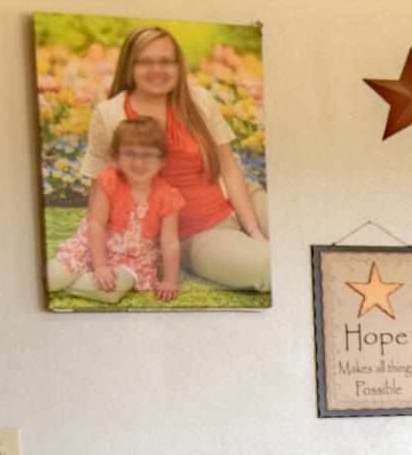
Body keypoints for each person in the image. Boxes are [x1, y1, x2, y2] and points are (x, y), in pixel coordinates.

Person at [81, 25, 269, 292]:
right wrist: (101, 260)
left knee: (301, 232)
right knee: (270, 266)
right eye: (146, 61)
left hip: (242, 200)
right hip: (196, 234)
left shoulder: (200, 100)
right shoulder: (109, 114)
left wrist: (254, 230)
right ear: (129, 66)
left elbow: (228, 168)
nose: (157, 69)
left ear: (178, 66)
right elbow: (101, 192)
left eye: (166, 61)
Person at [50, 116, 183, 301]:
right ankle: (60, 280)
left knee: (111, 291)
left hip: (131, 258)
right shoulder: (109, 181)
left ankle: (69, 286)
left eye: (148, 155)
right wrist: (101, 265)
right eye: (129, 154)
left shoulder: (168, 196)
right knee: (53, 277)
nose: (139, 162)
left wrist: (169, 280)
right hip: (94, 247)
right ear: (115, 157)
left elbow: (170, 242)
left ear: (162, 161)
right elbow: (96, 224)